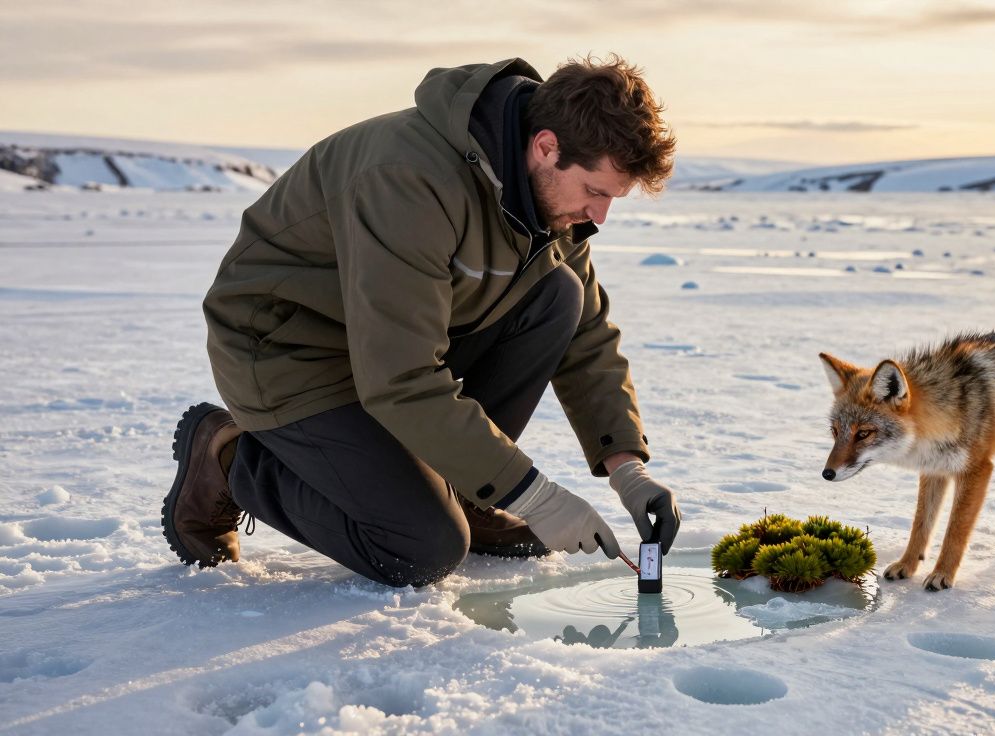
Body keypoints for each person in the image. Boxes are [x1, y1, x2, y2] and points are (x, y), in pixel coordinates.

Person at [160, 55, 681, 588]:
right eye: (596, 192)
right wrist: (530, 492)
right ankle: (229, 460)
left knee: (557, 296)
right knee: (421, 549)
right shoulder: (408, 179)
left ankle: (467, 490)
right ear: (546, 147)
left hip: (392, 344)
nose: (600, 216)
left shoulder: (545, 200)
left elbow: (586, 338)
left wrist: (627, 468)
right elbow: (400, 377)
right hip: (287, 351)